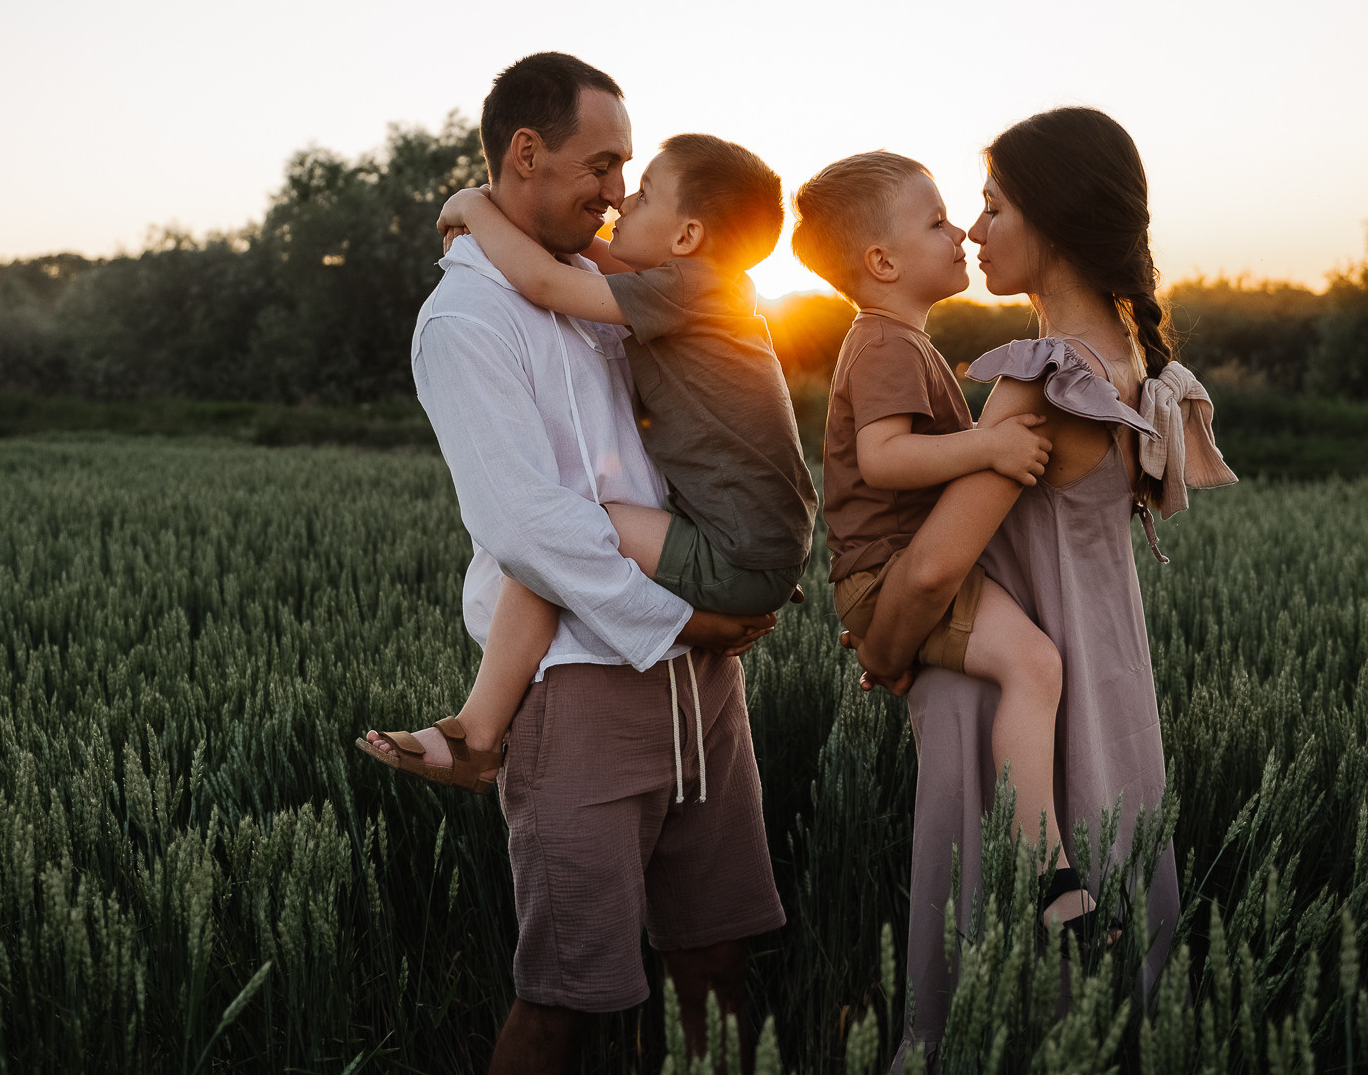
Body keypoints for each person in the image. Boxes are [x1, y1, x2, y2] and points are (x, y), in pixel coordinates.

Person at [360, 52, 787, 1070]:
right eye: (603, 165)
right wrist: (688, 620)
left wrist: (720, 614)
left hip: (706, 695)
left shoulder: (612, 278)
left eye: (630, 172)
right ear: (525, 153)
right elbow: (527, 525)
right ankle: (480, 731)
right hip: (585, 690)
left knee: (718, 963)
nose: (616, 191)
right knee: (569, 997)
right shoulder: (466, 320)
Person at [845, 108, 1236, 1054]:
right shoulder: (1138, 366)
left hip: (1003, 704)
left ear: (1052, 221)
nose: (975, 231)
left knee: (1000, 976)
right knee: (1112, 922)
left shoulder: (1045, 377)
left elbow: (938, 561)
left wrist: (886, 651)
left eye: (991, 206)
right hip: (1105, 682)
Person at [360, 130, 818, 798]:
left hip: (739, 552)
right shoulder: (710, 287)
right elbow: (586, 258)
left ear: (687, 238)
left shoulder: (688, 290)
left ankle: (478, 732)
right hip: (758, 541)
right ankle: (476, 732)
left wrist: (474, 205)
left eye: (645, 192)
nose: (623, 199)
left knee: (570, 526)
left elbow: (546, 280)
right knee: (565, 529)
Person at [787, 150, 1092, 932]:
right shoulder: (884, 343)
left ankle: (1042, 862)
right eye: (935, 221)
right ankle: (1046, 871)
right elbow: (886, 460)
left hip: (898, 572)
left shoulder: (900, 340)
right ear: (881, 261)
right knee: (1035, 664)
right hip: (889, 575)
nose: (961, 230)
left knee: (1029, 665)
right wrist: (988, 447)